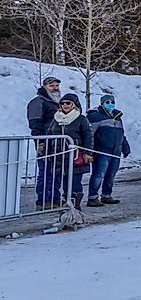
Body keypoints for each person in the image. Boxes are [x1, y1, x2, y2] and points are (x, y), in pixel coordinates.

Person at [46, 93, 93, 210]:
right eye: (63, 103)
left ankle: (75, 206)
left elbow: (88, 135)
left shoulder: (81, 119)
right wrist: (46, 149)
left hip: (75, 156)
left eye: (68, 103)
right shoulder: (55, 119)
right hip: (59, 157)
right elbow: (49, 134)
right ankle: (68, 206)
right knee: (65, 183)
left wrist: (88, 152)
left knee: (75, 182)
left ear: (74, 105)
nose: (65, 105)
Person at [86, 94, 131, 206]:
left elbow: (122, 135)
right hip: (101, 151)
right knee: (98, 174)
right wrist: (89, 151)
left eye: (112, 102)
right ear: (102, 104)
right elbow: (90, 135)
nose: (110, 104)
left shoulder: (117, 117)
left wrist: (125, 147)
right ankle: (92, 197)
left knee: (111, 174)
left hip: (115, 151)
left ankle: (106, 195)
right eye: (107, 102)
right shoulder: (95, 117)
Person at [26, 76, 62, 209]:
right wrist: (40, 142)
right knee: (45, 172)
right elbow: (35, 124)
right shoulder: (38, 102)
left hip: (58, 143)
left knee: (57, 172)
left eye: (56, 86)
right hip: (46, 142)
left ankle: (55, 198)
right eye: (52, 86)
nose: (55, 88)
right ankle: (42, 201)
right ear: (45, 87)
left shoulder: (58, 102)